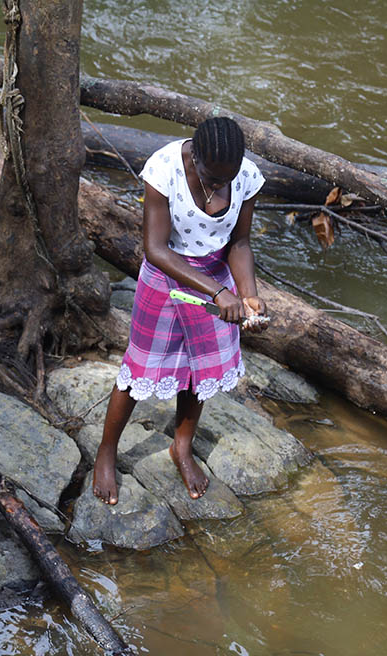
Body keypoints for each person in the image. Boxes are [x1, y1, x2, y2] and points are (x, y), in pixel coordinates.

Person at [93, 117, 268, 505]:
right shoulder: (163, 168)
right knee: (138, 369)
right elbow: (155, 249)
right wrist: (220, 292)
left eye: (229, 177)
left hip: (216, 276)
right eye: (213, 176)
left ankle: (181, 447)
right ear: (196, 155)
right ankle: (106, 452)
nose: (222, 184)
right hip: (166, 276)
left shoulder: (246, 176)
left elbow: (239, 244)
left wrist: (249, 294)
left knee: (200, 369)